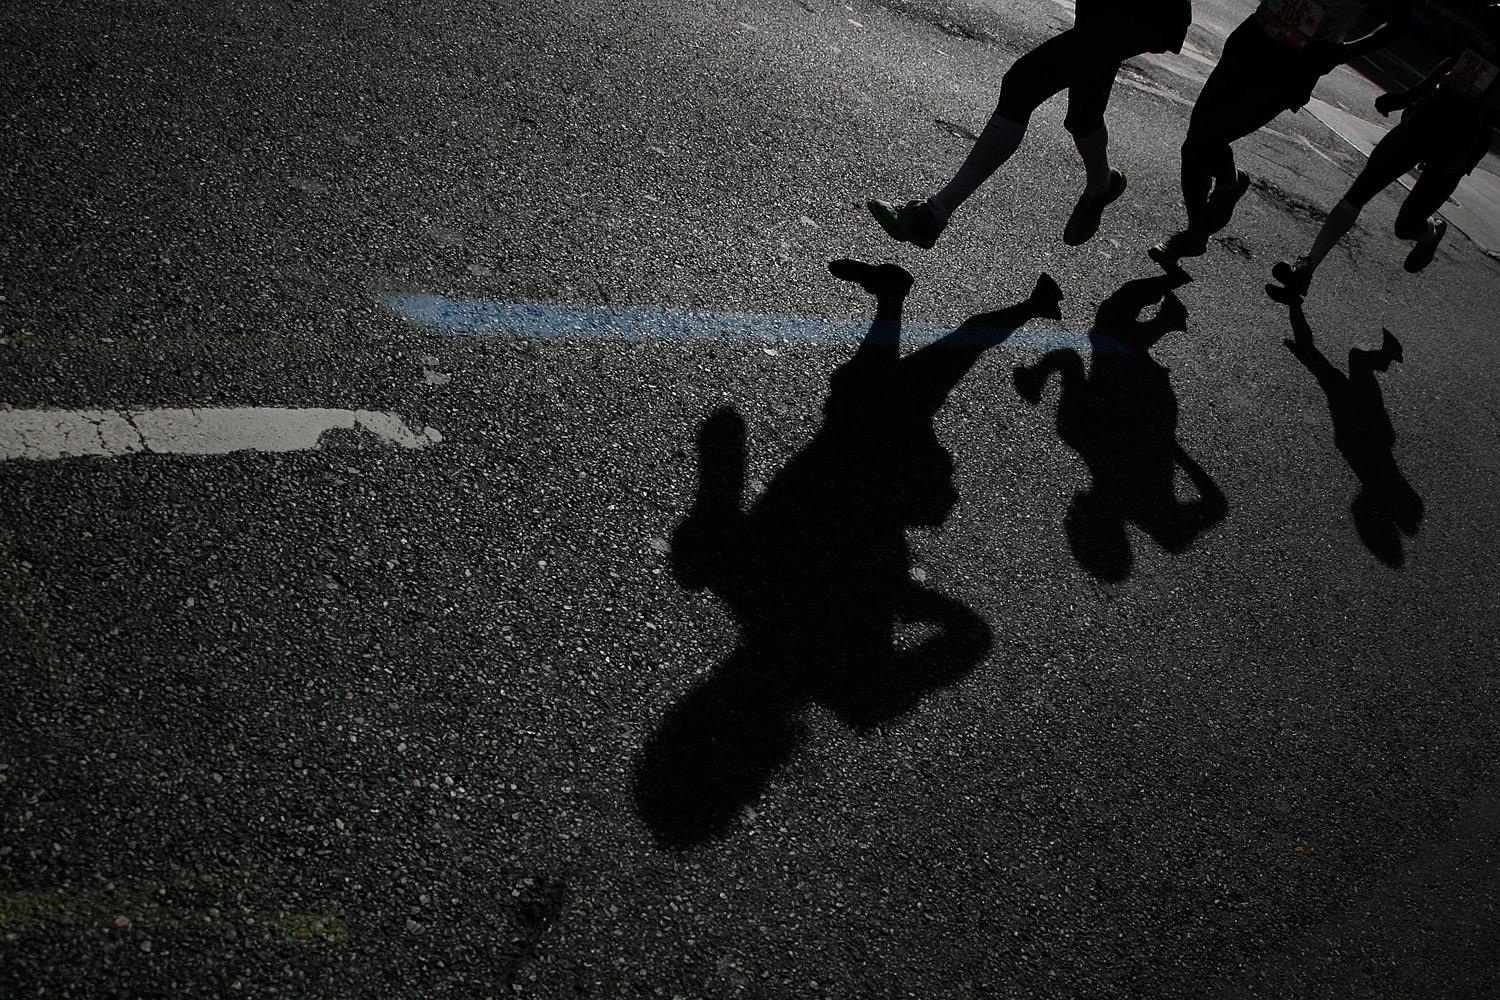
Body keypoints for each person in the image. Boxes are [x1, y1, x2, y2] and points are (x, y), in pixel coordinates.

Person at [867, 0, 1192, 250]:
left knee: (1022, 85)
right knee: (1083, 114)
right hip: (1110, 5)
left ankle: (932, 215)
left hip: (1143, 10)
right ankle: (1101, 186)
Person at [1149, 0, 1412, 268]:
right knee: (1194, 144)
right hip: (1253, 37)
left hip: (1295, 64)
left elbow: (1402, 21)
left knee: (1208, 141)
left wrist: (1343, 53)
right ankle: (1198, 227)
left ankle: (1219, 197)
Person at [1269, 5, 1500, 300]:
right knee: (1361, 189)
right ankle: (1307, 267)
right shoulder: (1489, 26)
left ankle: (1429, 232)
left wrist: (1463, 153)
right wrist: (1410, 95)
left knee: (1405, 226)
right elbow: (1453, 63)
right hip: (1429, 118)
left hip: (1462, 139)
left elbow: (1487, 112)